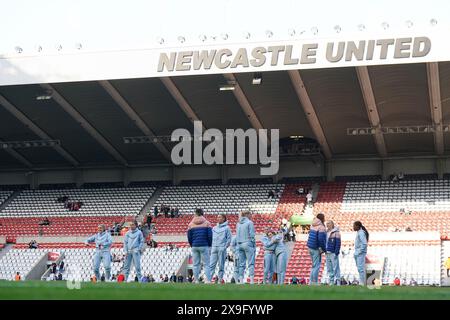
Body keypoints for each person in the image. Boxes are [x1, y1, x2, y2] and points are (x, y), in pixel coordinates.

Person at [187, 208, 212, 283]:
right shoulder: (207, 223)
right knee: (206, 264)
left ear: (196, 213)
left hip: (195, 245)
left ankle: (196, 280)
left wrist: (192, 244)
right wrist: (209, 244)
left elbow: (189, 236)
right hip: (204, 245)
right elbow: (210, 235)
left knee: (195, 264)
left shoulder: (190, 224)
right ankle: (208, 280)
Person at [209, 214, 232, 284]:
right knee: (211, 265)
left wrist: (224, 247)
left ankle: (220, 280)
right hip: (214, 248)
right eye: (217, 217)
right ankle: (208, 280)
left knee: (221, 265)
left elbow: (229, 239)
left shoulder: (227, 228)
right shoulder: (214, 228)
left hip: (221, 248)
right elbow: (211, 238)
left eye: (220, 217)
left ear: (223, 219)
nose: (218, 218)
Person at [236, 210, 256, 284]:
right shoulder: (250, 223)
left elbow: (237, 235)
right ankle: (251, 281)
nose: (251, 216)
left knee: (241, 264)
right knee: (251, 263)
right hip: (248, 243)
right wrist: (253, 244)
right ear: (247, 215)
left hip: (240, 244)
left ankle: (241, 280)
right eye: (250, 214)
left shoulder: (238, 224)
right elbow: (252, 235)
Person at [307, 213, 326, 285]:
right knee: (317, 266)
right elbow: (321, 239)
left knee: (314, 265)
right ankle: (314, 282)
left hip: (310, 247)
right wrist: (323, 249)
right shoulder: (321, 227)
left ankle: (311, 282)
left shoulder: (313, 225)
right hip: (316, 248)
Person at [325, 220, 341, 285]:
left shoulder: (336, 233)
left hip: (333, 252)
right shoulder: (326, 232)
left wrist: (336, 252)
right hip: (327, 252)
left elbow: (338, 243)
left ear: (332, 224)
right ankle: (331, 281)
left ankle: (338, 281)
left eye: (328, 223)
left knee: (336, 267)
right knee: (329, 268)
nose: (327, 225)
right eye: (326, 224)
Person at [353, 221, 369, 286]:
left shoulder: (361, 233)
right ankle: (361, 282)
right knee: (359, 268)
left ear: (357, 226)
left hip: (360, 253)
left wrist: (359, 251)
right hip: (358, 252)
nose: (353, 227)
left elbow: (364, 243)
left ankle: (362, 283)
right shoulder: (359, 233)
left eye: (354, 226)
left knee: (361, 268)